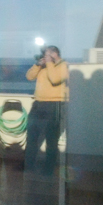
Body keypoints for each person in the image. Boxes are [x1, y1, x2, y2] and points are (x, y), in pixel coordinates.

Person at [25, 45, 68, 178]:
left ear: (55, 54)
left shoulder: (64, 65)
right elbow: (29, 76)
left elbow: (55, 79)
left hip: (54, 105)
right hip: (38, 104)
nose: (45, 57)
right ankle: (29, 166)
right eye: (44, 55)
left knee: (51, 140)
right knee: (31, 137)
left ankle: (48, 170)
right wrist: (38, 65)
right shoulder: (44, 66)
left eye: (47, 54)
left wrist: (49, 63)